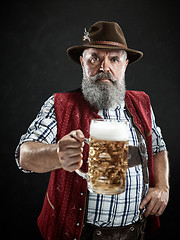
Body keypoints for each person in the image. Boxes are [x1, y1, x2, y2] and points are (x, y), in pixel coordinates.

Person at [15, 21, 169, 240]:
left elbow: (158, 148)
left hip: (137, 233)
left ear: (125, 64)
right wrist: (57, 154)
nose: (104, 67)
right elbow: (25, 155)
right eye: (95, 58)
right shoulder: (60, 104)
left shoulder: (142, 102)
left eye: (114, 59)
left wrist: (163, 186)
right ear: (82, 62)